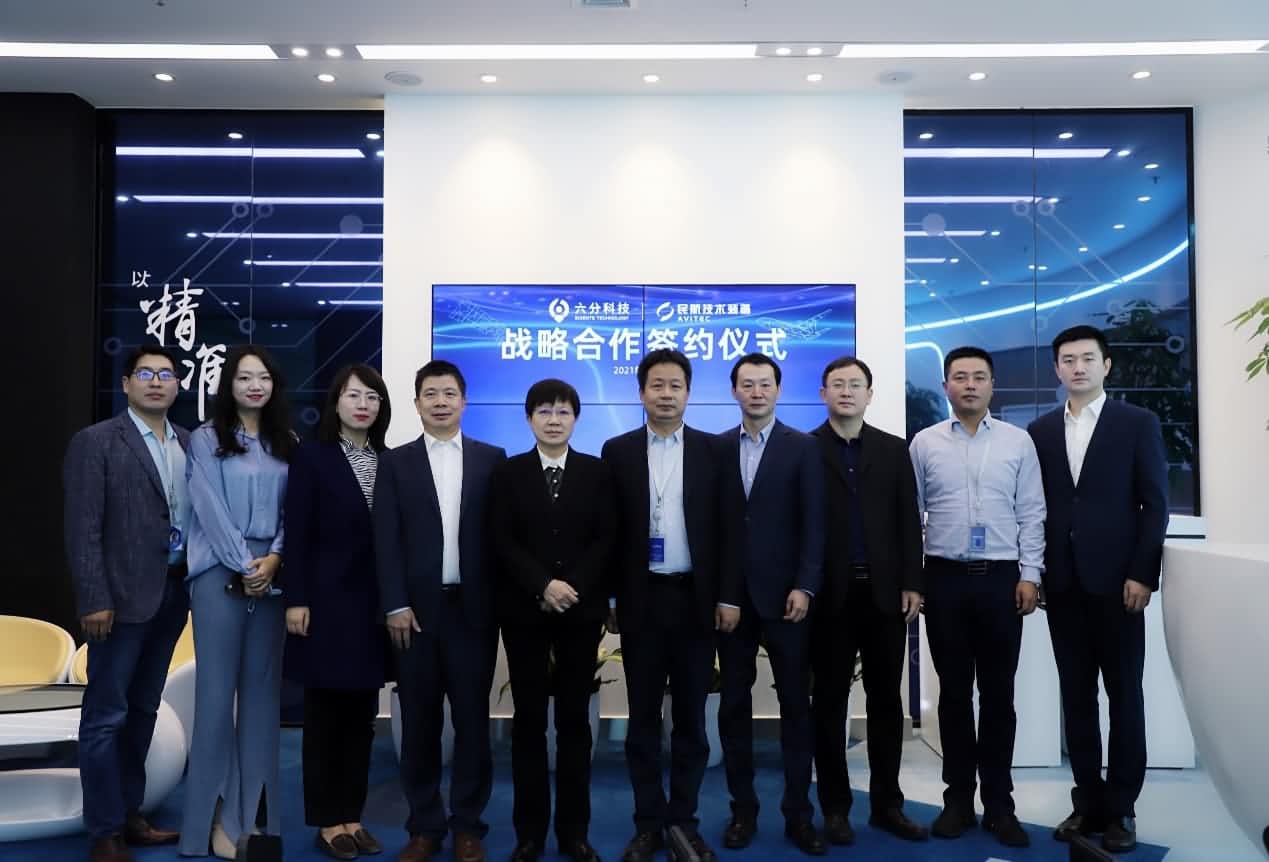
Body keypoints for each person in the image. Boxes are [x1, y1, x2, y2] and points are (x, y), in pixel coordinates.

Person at [1027, 325, 1168, 854]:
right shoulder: (1040, 430)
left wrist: (1143, 573)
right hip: (1063, 585)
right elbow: (1037, 508)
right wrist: (1038, 572)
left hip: (1119, 585)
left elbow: (1155, 504)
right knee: (1077, 696)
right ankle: (1087, 801)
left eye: (1088, 358)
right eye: (1068, 359)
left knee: (1125, 696)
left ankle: (1122, 808)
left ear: (1106, 365)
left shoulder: (1137, 423)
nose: (1078, 367)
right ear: (1057, 369)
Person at [601, 350, 739, 862]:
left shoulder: (714, 450)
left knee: (691, 722)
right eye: (656, 385)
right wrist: (610, 597)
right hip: (640, 601)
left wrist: (728, 596)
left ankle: (683, 822)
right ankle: (647, 824)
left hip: (695, 601)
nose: (665, 394)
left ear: (688, 392)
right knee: (641, 722)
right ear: (641, 392)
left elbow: (730, 531)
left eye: (674, 385)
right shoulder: (617, 451)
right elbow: (609, 532)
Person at [909, 345, 1046, 850]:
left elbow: (1032, 511)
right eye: (960, 376)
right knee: (953, 695)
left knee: (998, 696)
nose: (969, 384)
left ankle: (1000, 805)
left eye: (979, 377)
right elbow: (910, 516)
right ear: (946, 385)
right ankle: (958, 801)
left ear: (992, 385)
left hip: (1002, 580)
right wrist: (915, 579)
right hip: (944, 579)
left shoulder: (1017, 442)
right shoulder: (924, 443)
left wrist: (1030, 574)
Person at [374, 360, 506, 862]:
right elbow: (386, 540)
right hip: (415, 617)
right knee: (420, 725)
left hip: (473, 614)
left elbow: (502, 539)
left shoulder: (492, 459)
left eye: (449, 393)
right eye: (430, 394)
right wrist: (395, 603)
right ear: (416, 403)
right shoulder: (395, 463)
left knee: (473, 724)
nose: (440, 402)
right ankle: (425, 827)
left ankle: (468, 825)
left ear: (464, 401)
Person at [63, 344, 191, 862]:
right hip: (116, 602)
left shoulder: (188, 443)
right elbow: (83, 528)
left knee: (142, 711)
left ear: (178, 384)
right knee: (105, 717)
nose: (156, 382)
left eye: (166, 374)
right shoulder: (96, 442)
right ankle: (104, 832)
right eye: (145, 373)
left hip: (173, 595)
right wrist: (94, 597)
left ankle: (132, 814)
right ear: (125, 384)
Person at [490, 379, 615, 862]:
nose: (554, 419)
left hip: (580, 613)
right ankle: (529, 833)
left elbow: (606, 538)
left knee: (574, 725)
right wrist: (542, 585)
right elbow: (501, 539)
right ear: (529, 419)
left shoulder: (597, 472)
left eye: (563, 411)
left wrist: (570, 587)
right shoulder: (508, 473)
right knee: (527, 724)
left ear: (576, 419)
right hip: (525, 611)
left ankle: (574, 832)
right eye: (544, 411)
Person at [180, 344, 295, 859]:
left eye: (263, 377)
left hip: (272, 578)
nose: (255, 386)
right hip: (218, 575)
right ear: (229, 384)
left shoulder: (286, 442)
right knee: (214, 701)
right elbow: (206, 508)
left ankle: (255, 820)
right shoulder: (207, 439)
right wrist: (245, 565)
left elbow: (295, 512)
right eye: (245, 377)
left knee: (262, 700)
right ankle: (210, 820)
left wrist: (274, 559)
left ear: (274, 385)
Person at [808, 356, 929, 845]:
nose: (846, 392)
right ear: (823, 393)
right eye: (837, 384)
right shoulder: (804, 449)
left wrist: (913, 582)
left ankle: (887, 805)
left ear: (869, 394)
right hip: (829, 597)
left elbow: (908, 521)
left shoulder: (894, 449)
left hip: (884, 596)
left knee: (885, 703)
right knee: (829, 704)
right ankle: (835, 809)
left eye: (855, 384)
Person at [715, 352, 827, 856]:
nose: (756, 392)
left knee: (796, 708)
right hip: (733, 603)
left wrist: (805, 585)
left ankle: (799, 815)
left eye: (765, 384)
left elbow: (815, 523)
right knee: (733, 708)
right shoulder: (716, 448)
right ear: (734, 391)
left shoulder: (803, 448)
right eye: (747, 384)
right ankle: (743, 811)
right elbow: (713, 528)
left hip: (788, 601)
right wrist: (723, 594)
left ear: (778, 390)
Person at [283, 364, 395, 860]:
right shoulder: (313, 457)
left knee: (361, 719)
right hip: (325, 605)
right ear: (337, 403)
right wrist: (296, 598)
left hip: (373, 608)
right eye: (353, 395)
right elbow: (297, 532)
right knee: (325, 718)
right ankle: (328, 822)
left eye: (372, 397)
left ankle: (353, 815)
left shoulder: (390, 460)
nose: (363, 405)